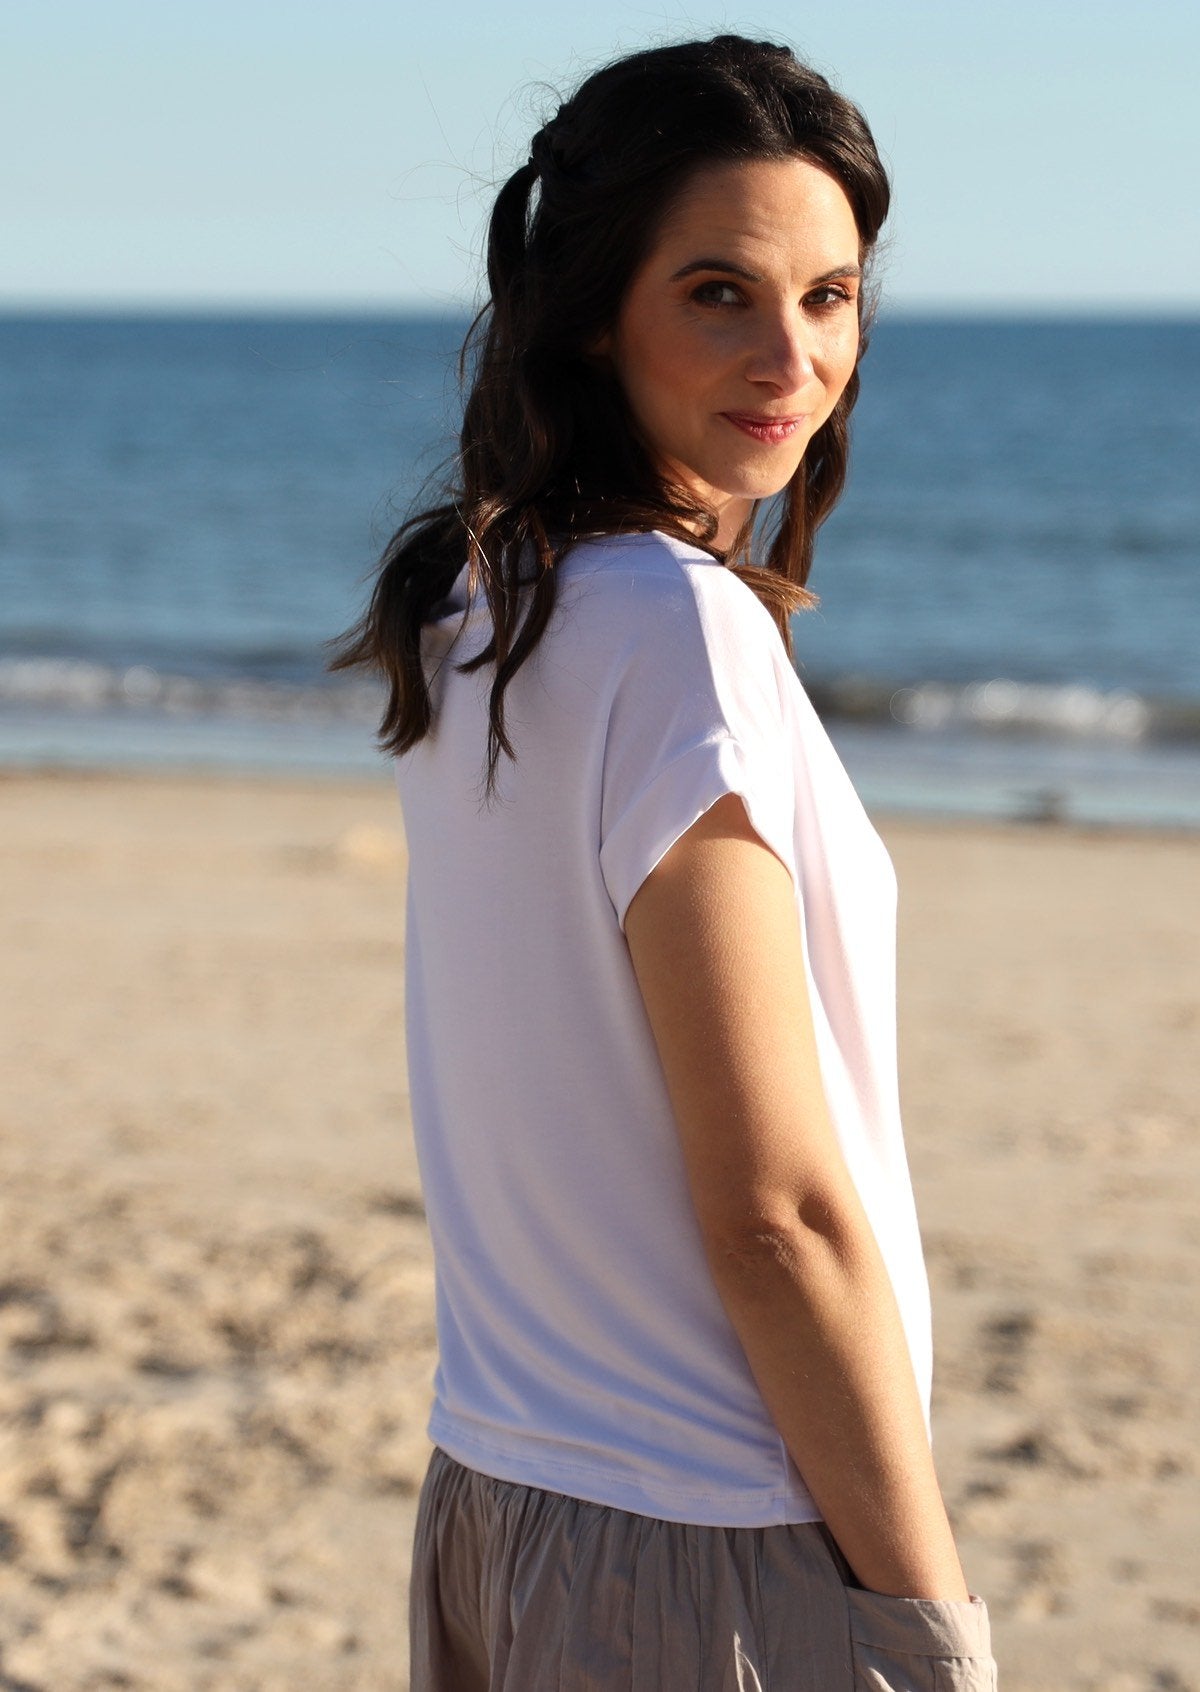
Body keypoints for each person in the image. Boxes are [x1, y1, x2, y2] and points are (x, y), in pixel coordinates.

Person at [330, 33, 999, 1692]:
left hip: (502, 1501)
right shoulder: (674, 637)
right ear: (591, 309)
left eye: (831, 297)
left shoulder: (483, 609)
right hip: (707, 1546)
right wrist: (929, 1616)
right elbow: (776, 1214)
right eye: (720, 291)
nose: (792, 355)